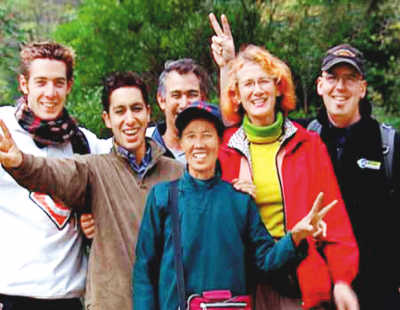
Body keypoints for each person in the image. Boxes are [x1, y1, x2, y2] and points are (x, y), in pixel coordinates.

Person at [209, 15, 359, 310]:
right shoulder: (224, 149)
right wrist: (233, 201)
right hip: (242, 285)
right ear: (237, 95)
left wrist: (341, 280)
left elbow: (334, 215)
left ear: (278, 87)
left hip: (296, 282)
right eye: (248, 84)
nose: (257, 90)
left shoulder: (307, 145)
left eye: (264, 81)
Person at [0, 71, 184, 310]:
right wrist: (20, 162)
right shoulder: (94, 169)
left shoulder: (176, 173)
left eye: (136, 109)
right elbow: (51, 173)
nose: (129, 119)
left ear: (148, 113)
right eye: (120, 111)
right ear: (107, 119)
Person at [132, 101, 336, 310]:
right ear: (182, 143)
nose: (199, 144)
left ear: (220, 142)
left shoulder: (239, 200)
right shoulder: (163, 196)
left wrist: (295, 237)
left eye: (207, 135)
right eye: (191, 136)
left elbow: (266, 261)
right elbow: (144, 269)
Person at [0, 41, 110, 310]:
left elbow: (137, 151)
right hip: (11, 294)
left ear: (69, 86)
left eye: (58, 83)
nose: (50, 92)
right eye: (41, 82)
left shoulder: (83, 143)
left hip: (66, 298)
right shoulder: (4, 129)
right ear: (24, 84)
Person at [305, 44, 400, 309]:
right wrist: (228, 65)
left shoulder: (388, 144)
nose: (340, 87)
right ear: (320, 85)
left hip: (378, 292)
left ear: (362, 88)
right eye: (333, 77)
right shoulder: (304, 138)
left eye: (350, 78)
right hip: (318, 294)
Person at [146, 58, 210, 163]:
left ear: (203, 99)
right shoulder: (144, 152)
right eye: (176, 95)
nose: (184, 104)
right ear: (162, 100)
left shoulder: (215, 153)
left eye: (192, 94)